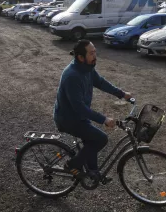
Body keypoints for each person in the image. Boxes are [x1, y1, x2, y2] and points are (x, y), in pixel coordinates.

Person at [53, 39, 131, 178]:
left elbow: (100, 82)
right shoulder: (72, 76)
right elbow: (79, 108)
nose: (95, 56)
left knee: (91, 140)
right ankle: (71, 165)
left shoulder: (87, 68)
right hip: (68, 119)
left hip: (78, 117)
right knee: (101, 139)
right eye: (91, 53)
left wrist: (122, 94)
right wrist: (104, 119)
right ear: (80, 57)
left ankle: (92, 171)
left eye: (95, 52)